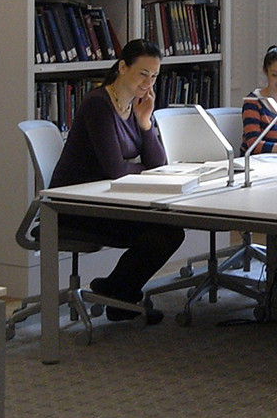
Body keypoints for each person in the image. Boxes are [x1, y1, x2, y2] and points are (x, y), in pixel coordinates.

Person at [48, 39, 185, 323]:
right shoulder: (99, 105)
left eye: (155, 76)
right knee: (163, 234)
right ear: (123, 67)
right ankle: (119, 293)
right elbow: (115, 169)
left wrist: (145, 122)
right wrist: (140, 167)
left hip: (110, 201)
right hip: (74, 208)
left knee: (170, 231)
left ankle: (116, 291)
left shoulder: (134, 106)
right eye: (143, 74)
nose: (148, 83)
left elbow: (158, 164)